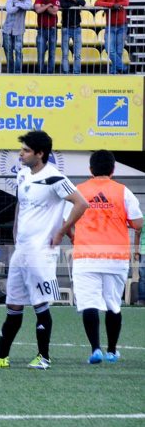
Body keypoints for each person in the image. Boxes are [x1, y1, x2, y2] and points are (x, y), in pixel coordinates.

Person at [0, 131, 88, 370]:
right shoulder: (23, 174)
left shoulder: (54, 177)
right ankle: (0, 356)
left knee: (40, 304)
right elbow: (21, 206)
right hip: (22, 250)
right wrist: (16, 232)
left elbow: (81, 203)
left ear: (40, 153)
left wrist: (61, 232)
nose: (20, 154)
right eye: (21, 150)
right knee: (13, 304)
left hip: (41, 252)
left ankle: (43, 357)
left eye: (25, 151)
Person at [68, 150, 142, 364]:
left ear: (90, 170)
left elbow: (66, 220)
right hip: (115, 256)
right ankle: (111, 351)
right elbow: (138, 223)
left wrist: (73, 235)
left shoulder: (79, 190)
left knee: (89, 303)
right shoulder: (123, 191)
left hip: (85, 256)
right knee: (113, 303)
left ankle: (95, 349)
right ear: (113, 169)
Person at [95, 0, 129, 75]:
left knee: (119, 51)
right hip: (110, 26)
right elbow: (97, 3)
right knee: (109, 49)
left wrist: (112, 6)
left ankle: (114, 72)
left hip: (122, 26)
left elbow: (126, 3)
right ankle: (122, 68)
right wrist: (113, 5)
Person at [3, 0, 33, 74]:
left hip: (19, 30)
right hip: (7, 29)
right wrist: (20, 6)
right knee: (8, 53)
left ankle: (18, 72)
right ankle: (10, 72)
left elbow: (28, 6)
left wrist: (17, 4)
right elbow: (9, 10)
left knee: (18, 52)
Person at [58, 0, 85, 75]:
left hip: (77, 27)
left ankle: (76, 72)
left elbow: (83, 2)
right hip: (66, 28)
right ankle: (66, 72)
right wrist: (74, 3)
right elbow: (64, 5)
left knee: (77, 54)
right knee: (65, 53)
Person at [33, 0, 60, 74]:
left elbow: (54, 12)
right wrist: (49, 5)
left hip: (52, 29)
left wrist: (44, 6)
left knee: (52, 53)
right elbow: (38, 10)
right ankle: (40, 72)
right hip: (41, 29)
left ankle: (50, 73)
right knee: (40, 53)